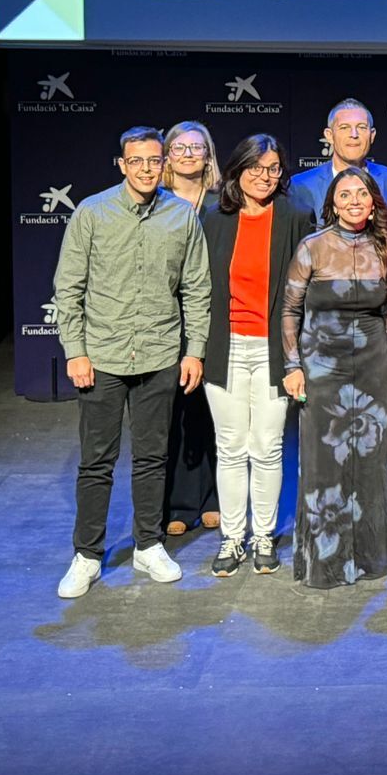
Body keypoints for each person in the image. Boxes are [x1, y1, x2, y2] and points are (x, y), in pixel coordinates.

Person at [53, 127, 211, 599]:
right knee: (96, 462)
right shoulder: (92, 212)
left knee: (151, 458)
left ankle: (148, 544)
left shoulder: (182, 216)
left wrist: (194, 350)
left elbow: (197, 289)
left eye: (153, 160)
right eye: (136, 160)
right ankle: (87, 555)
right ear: (121, 164)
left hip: (161, 355)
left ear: (164, 164)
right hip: (101, 356)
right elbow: (69, 287)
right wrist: (75, 351)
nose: (146, 168)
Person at [281, 167, 387, 589]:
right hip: (321, 368)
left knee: (371, 463)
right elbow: (290, 311)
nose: (354, 201)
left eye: (362, 195)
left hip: (372, 367)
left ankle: (370, 558)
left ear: (373, 204)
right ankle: (326, 563)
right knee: (322, 464)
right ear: (331, 204)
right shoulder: (311, 247)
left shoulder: (384, 247)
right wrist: (293, 367)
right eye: (345, 195)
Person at [198, 134, 305, 576]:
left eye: (273, 168)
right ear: (237, 170)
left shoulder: (297, 217)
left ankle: (263, 536)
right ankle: (231, 538)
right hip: (224, 348)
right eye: (255, 168)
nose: (264, 176)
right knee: (230, 447)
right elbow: (199, 287)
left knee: (266, 447)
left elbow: (304, 295)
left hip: (273, 350)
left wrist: (298, 357)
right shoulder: (213, 218)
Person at [157, 120, 222, 538]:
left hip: (214, 316)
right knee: (177, 413)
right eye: (179, 147)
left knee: (215, 411)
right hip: (165, 321)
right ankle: (180, 502)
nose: (187, 154)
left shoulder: (221, 202)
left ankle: (214, 498)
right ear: (167, 156)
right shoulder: (155, 202)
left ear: (208, 155)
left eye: (196, 148)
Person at [288, 97, 387, 236]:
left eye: (361, 127)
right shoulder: (300, 186)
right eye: (344, 128)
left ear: (372, 135)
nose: (354, 135)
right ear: (329, 136)